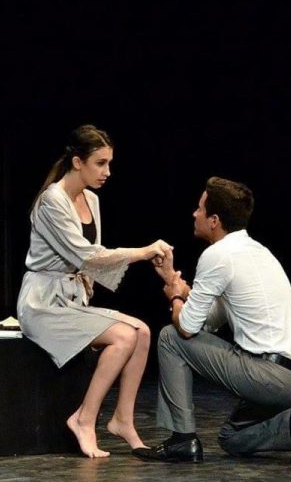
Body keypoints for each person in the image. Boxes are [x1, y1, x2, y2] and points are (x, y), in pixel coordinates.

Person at [16, 124, 173, 459]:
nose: (107, 171)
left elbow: (90, 264)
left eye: (109, 163)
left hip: (71, 300)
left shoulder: (92, 200)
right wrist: (143, 252)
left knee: (142, 332)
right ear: (77, 162)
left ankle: (122, 420)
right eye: (100, 163)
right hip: (43, 304)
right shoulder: (51, 202)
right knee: (123, 337)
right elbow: (87, 256)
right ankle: (84, 419)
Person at [145, 176, 291, 464]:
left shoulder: (217, 255)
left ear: (214, 220)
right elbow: (211, 319)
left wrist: (175, 298)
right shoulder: (255, 251)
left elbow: (188, 329)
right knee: (231, 438)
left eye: (200, 209)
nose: (194, 213)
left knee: (170, 337)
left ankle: (182, 439)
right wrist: (173, 281)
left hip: (268, 376)